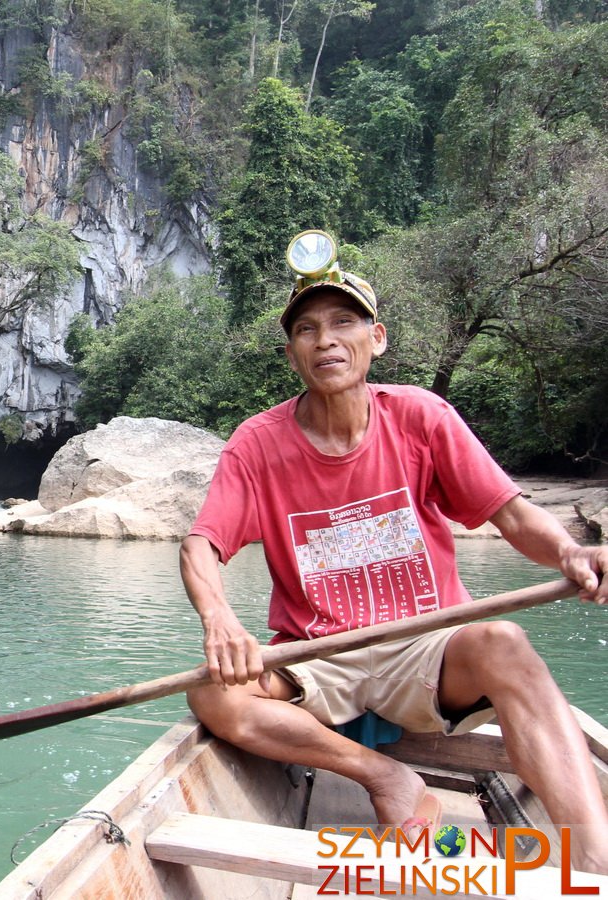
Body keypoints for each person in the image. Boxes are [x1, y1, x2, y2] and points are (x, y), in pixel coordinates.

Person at [179, 238, 608, 872]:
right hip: (319, 656)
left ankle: (597, 862)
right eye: (306, 329)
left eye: (343, 323)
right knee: (213, 695)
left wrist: (572, 551)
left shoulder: (421, 417)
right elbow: (201, 543)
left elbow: (512, 514)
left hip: (426, 646)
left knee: (506, 643)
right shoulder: (257, 443)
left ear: (375, 338)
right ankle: (386, 778)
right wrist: (220, 620)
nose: (325, 340)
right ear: (293, 352)